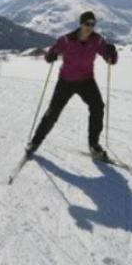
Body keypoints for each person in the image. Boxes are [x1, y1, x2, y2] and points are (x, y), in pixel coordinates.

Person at [26, 11, 118, 160]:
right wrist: (51, 56)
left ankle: (94, 145)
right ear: (81, 24)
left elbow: (110, 60)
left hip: (86, 80)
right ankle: (35, 142)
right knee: (53, 113)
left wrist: (112, 53)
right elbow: (51, 55)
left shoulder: (97, 40)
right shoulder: (66, 40)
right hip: (66, 81)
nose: (90, 27)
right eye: (87, 23)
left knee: (98, 107)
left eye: (93, 24)